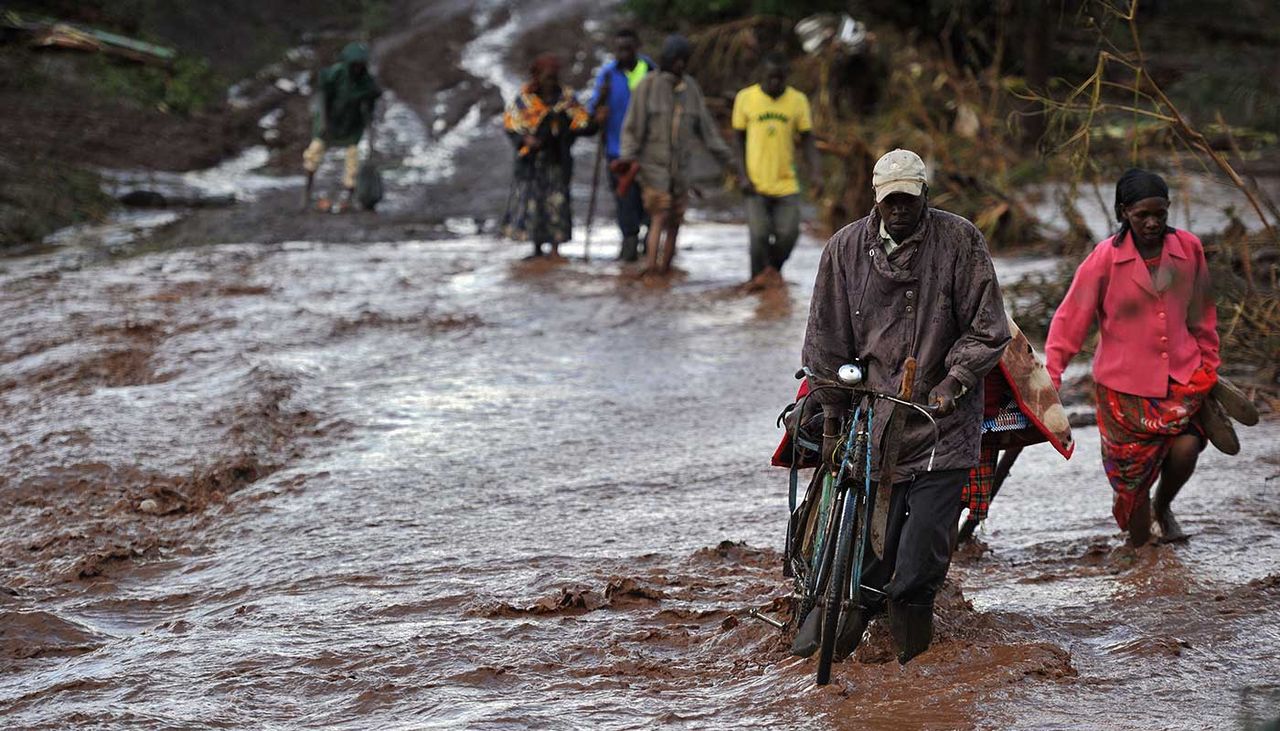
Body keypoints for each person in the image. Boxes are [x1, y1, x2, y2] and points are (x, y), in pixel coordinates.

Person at [799, 149, 1010, 664]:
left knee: (917, 566)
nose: (899, 209)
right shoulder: (844, 250)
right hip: (873, 421)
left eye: (908, 200)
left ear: (925, 197)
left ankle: (913, 672)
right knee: (867, 561)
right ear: (876, 199)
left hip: (943, 425)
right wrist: (831, 417)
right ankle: (828, 652)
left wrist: (954, 381)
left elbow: (989, 329)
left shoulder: (960, 241)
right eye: (890, 200)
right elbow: (826, 342)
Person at [1045, 168, 1222, 547]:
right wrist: (1052, 377)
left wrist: (1210, 363)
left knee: (1189, 447)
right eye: (1142, 215)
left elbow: (1203, 312)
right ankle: (1140, 558)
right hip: (1123, 390)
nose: (1153, 222)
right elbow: (1069, 319)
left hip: (1182, 379)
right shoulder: (1105, 259)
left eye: (1160, 213)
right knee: (1133, 491)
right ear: (1124, 212)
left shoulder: (1188, 248)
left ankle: (1165, 506)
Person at [618, 34, 750, 277]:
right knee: (659, 214)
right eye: (675, 60)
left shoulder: (691, 89)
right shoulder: (647, 86)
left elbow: (708, 132)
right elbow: (632, 127)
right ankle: (651, 268)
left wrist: (731, 163)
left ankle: (665, 269)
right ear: (666, 59)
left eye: (683, 60)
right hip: (654, 167)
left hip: (681, 170)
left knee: (675, 221)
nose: (679, 65)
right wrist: (627, 158)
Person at [731, 53, 822, 289]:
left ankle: (770, 273)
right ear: (762, 76)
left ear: (786, 78)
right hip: (755, 183)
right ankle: (758, 287)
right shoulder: (745, 98)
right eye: (770, 78)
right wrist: (741, 175)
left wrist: (816, 174)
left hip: (786, 183)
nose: (774, 83)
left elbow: (808, 140)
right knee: (759, 236)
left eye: (779, 79)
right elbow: (738, 140)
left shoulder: (797, 101)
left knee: (789, 234)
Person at [502, 53, 596, 259]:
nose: (550, 80)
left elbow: (583, 124)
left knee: (558, 202)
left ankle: (556, 248)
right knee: (534, 203)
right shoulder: (524, 101)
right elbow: (511, 125)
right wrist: (524, 140)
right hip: (532, 164)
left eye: (554, 76)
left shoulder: (566, 100)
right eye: (546, 76)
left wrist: (594, 120)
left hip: (558, 160)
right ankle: (536, 247)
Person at [588, 29, 655, 262]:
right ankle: (629, 242)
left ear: (637, 46)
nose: (623, 54)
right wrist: (599, 108)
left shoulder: (650, 71)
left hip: (648, 151)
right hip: (616, 150)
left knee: (650, 199)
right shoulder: (606, 75)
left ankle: (650, 242)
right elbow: (592, 112)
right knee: (624, 199)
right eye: (619, 49)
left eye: (628, 49)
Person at [302, 42, 382, 211]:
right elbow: (324, 95)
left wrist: (371, 134)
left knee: (352, 157)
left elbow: (370, 105)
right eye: (355, 65)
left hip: (351, 123)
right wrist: (324, 122)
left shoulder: (366, 82)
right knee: (314, 152)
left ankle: (349, 196)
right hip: (330, 119)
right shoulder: (336, 74)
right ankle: (307, 193)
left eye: (361, 65)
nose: (358, 69)